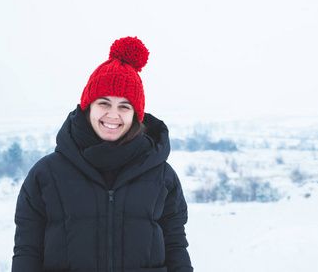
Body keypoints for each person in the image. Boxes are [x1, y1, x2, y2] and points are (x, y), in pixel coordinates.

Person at [11, 36, 193, 272]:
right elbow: (27, 250)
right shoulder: (46, 174)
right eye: (104, 103)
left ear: (136, 115)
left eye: (124, 106)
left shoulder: (162, 176)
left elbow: (176, 246)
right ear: (88, 107)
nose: (113, 115)